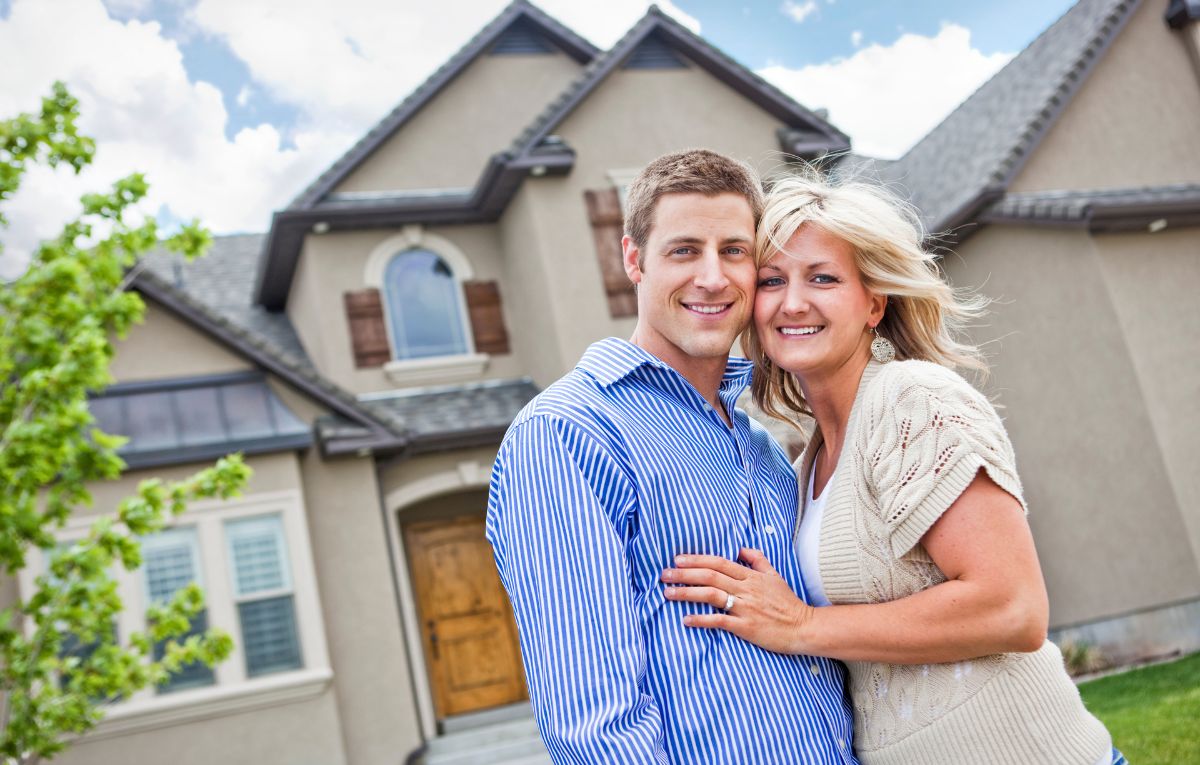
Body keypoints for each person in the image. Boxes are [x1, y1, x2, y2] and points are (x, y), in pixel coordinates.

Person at [661, 172, 1123, 764]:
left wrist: (800, 626)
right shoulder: (806, 465)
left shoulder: (912, 400)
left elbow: (1013, 608)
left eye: (822, 278)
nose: (793, 302)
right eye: (772, 280)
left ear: (873, 301)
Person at [486, 150, 857, 764]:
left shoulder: (758, 447)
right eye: (684, 250)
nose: (712, 277)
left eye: (734, 251)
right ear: (634, 260)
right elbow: (594, 726)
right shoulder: (567, 434)